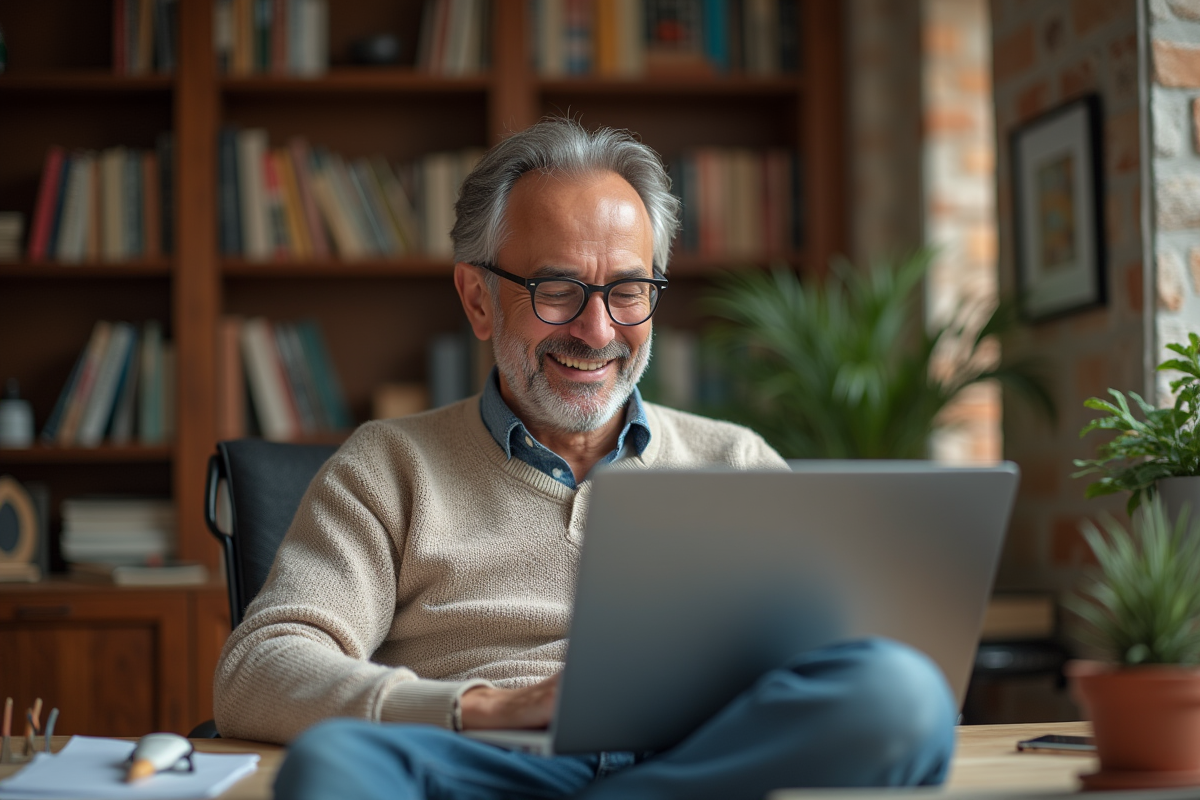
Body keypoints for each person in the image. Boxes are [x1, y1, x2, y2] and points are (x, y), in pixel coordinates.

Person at [213, 118, 956, 800]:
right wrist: (485, 708)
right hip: (486, 764)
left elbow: (825, 668)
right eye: (558, 290)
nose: (598, 331)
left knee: (903, 694)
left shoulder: (733, 457)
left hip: (693, 763)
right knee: (331, 768)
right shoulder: (388, 465)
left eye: (629, 290)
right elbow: (260, 669)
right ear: (477, 299)